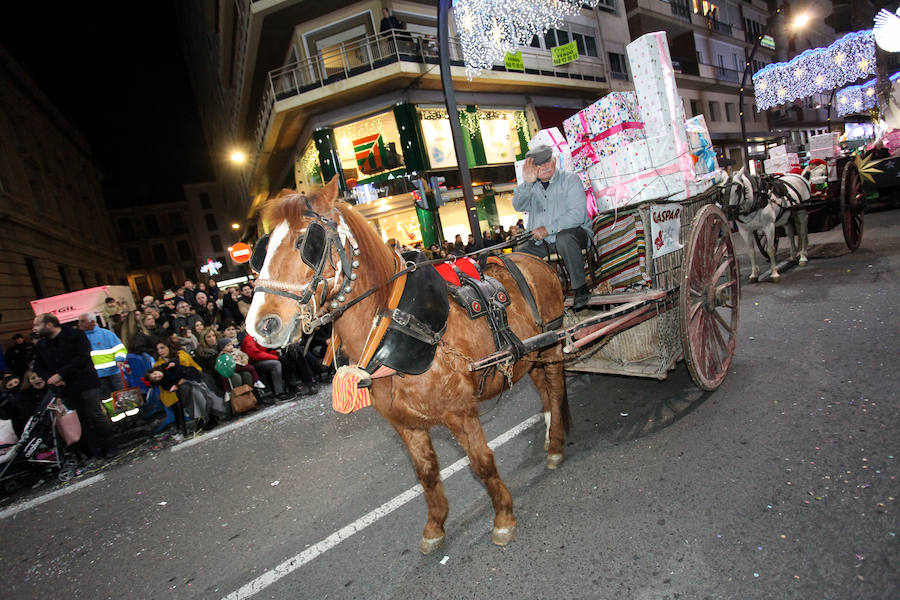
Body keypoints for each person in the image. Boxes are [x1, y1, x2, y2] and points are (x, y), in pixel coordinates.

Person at [513, 144, 593, 310]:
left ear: (555, 160)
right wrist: (527, 183)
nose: (544, 167)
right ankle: (534, 297)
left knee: (564, 238)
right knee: (518, 254)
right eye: (538, 164)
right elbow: (518, 205)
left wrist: (547, 229)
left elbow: (577, 215)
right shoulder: (531, 187)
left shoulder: (570, 180)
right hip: (543, 243)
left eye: (547, 161)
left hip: (573, 235)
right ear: (532, 167)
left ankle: (580, 288)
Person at [31, 313, 117, 459]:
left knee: (95, 414)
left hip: (85, 382)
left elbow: (82, 358)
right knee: (80, 419)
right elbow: (38, 367)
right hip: (65, 388)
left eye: (37, 325)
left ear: (49, 325)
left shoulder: (76, 335)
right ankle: (92, 451)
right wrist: (51, 378)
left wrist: (61, 374)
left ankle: (110, 446)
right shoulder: (42, 345)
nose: (34, 329)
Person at [77, 312, 128, 403]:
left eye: (82, 321)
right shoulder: (79, 338)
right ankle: (114, 416)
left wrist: (119, 359)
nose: (79, 324)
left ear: (92, 322)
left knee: (122, 395)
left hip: (114, 372)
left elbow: (120, 349)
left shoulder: (106, 334)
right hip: (97, 375)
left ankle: (132, 415)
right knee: (107, 399)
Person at [241, 334, 293, 401]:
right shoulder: (250, 338)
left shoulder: (261, 335)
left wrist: (275, 354)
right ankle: (279, 392)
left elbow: (266, 350)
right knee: (276, 364)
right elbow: (254, 354)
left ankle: (289, 386)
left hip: (261, 359)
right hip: (253, 363)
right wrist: (276, 357)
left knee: (285, 359)